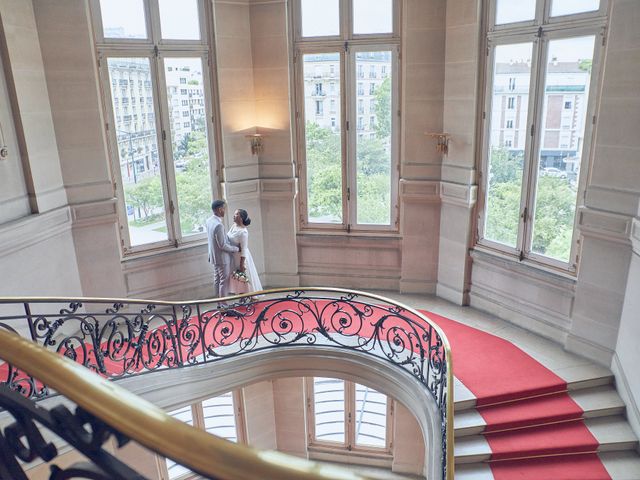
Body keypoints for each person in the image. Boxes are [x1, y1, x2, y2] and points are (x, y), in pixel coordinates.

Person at [206, 200, 239, 298]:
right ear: (220, 209)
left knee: (217, 280)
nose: (225, 211)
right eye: (224, 208)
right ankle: (223, 305)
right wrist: (235, 249)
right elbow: (222, 245)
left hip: (214, 256)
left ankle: (218, 302)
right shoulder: (219, 225)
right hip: (222, 258)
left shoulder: (209, 221)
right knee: (224, 281)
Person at [227, 209, 263, 294]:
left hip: (241, 257)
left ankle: (251, 294)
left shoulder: (243, 232)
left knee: (244, 275)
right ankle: (241, 294)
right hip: (234, 255)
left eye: (236, 214)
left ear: (241, 218)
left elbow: (243, 249)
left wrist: (242, 264)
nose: (234, 216)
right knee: (236, 276)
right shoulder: (234, 226)